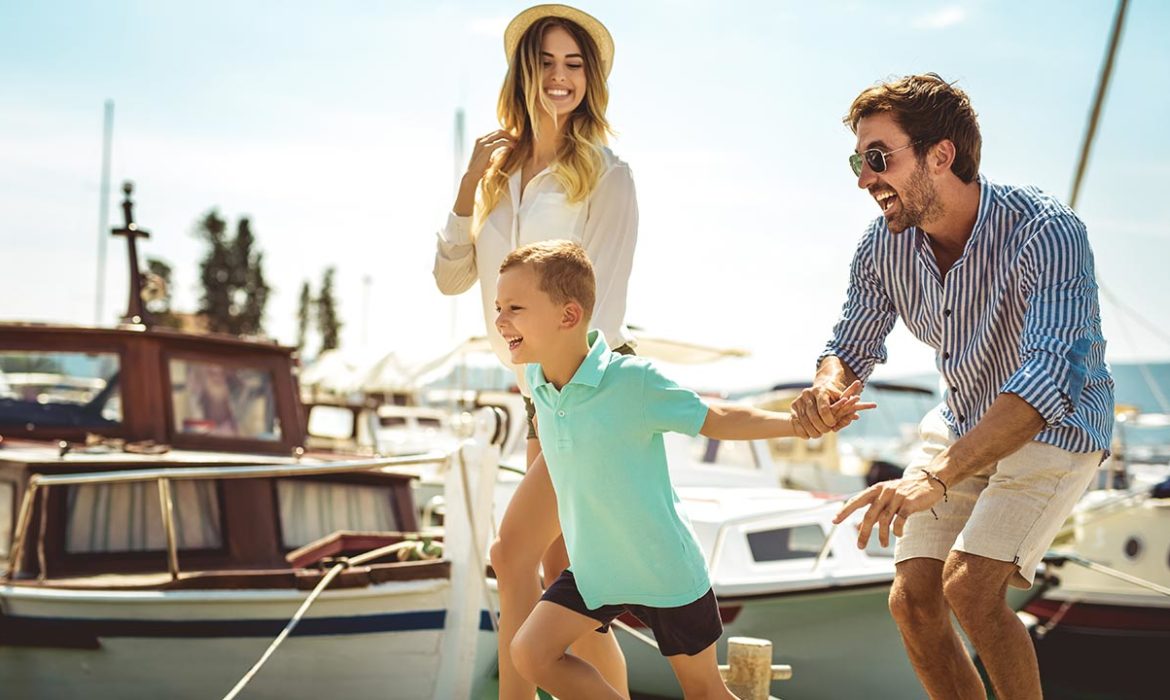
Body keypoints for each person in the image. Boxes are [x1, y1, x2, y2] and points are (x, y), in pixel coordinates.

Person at [790, 73, 1114, 700]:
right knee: (912, 601)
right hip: (966, 415)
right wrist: (827, 389)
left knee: (969, 585)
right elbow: (850, 347)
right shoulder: (882, 247)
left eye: (879, 158)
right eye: (858, 160)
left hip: (1058, 425)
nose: (863, 177)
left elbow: (1046, 383)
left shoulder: (1047, 232)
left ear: (941, 155)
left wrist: (935, 476)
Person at [496, 240, 874, 699]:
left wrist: (798, 425)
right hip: (596, 571)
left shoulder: (632, 381)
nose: (499, 321)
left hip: (665, 570)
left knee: (705, 692)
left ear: (568, 316)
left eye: (514, 308)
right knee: (530, 654)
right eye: (499, 308)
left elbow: (717, 418)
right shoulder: (538, 383)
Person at [430, 5, 637, 697]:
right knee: (568, 589)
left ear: (590, 78)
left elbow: (603, 308)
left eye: (574, 65)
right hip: (538, 397)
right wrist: (467, 185)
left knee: (514, 557)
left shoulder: (607, 174)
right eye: (546, 62)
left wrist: (569, 408)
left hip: (583, 397)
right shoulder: (496, 174)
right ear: (523, 71)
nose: (559, 77)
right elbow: (450, 277)